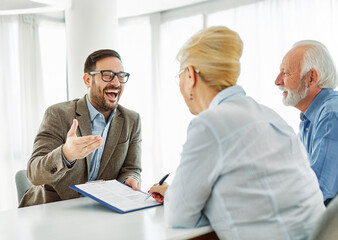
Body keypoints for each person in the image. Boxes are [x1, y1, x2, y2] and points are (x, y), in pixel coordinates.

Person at [149, 26, 325, 240]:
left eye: (180, 76)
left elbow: (179, 217)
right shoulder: (269, 115)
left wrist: (179, 197)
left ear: (190, 75)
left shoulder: (208, 124)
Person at [19, 49, 142, 207]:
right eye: (107, 75)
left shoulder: (131, 120)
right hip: (51, 208)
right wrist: (66, 154)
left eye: (120, 76)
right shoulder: (58, 114)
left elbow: (131, 168)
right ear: (87, 80)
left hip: (99, 211)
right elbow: (34, 174)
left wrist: (130, 179)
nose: (116, 83)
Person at [275, 40, 338, 206]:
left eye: (285, 73)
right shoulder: (309, 119)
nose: (277, 81)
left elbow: (318, 188)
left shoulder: (331, 114)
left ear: (311, 78)